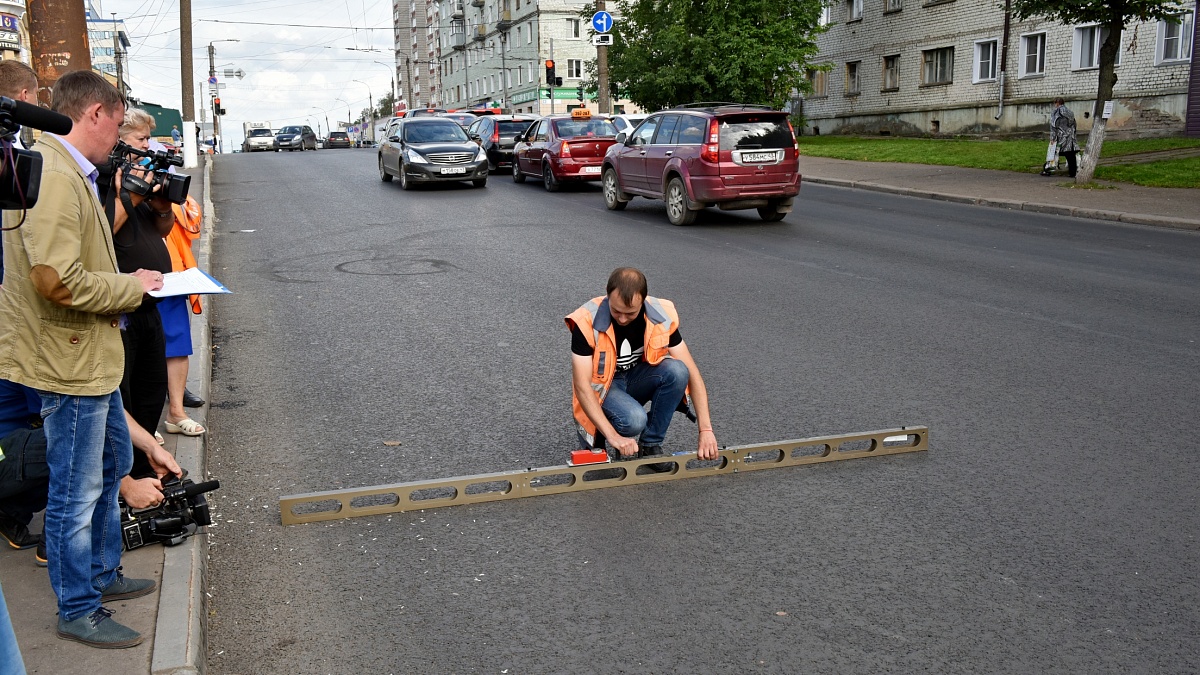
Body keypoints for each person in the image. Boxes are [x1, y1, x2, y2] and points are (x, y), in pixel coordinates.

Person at [0, 70, 163, 649]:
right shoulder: (54, 175)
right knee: (76, 490)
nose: (119, 138)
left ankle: (101, 575)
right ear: (94, 113)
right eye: (117, 124)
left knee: (107, 464)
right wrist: (131, 288)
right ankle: (78, 607)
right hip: (67, 361)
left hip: (86, 356)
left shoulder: (67, 169)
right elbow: (55, 279)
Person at [105, 109, 204, 444]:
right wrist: (132, 194)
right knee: (127, 384)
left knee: (149, 387)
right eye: (142, 139)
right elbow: (101, 234)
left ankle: (149, 441)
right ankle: (132, 453)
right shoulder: (106, 180)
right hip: (123, 298)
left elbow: (162, 227)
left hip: (154, 295)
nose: (149, 148)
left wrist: (161, 204)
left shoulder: (139, 179)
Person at [566, 268, 718, 471]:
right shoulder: (585, 320)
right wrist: (614, 437)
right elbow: (582, 387)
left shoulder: (661, 315)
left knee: (679, 371)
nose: (621, 319)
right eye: (616, 311)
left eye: (630, 313)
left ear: (643, 300)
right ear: (608, 294)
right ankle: (602, 432)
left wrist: (705, 429)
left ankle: (650, 444)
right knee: (634, 420)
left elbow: (693, 373)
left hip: (637, 378)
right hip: (603, 389)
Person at [1047, 97, 1079, 178]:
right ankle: (1073, 172)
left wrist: (1052, 138)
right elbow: (1074, 124)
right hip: (1070, 137)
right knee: (1070, 155)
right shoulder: (1070, 112)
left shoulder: (1056, 112)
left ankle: (1049, 168)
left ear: (1057, 103)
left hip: (1061, 136)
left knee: (1054, 153)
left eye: (1055, 103)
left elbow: (1054, 126)